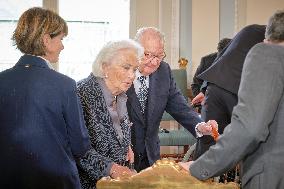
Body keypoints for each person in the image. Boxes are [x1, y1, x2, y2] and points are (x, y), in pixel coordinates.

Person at [179, 10, 284, 189]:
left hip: (270, 174)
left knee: (212, 141)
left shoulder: (264, 48)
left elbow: (250, 129)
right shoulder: (252, 33)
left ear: (268, 38)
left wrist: (198, 168)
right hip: (223, 91)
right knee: (215, 138)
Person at [0, 7, 91, 189]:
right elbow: (80, 145)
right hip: (57, 181)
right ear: (46, 39)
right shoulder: (65, 84)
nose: (62, 46)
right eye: (61, 39)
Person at [126, 27, 214, 172]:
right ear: (135, 50)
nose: (154, 62)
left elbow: (180, 106)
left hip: (150, 156)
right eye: (148, 55)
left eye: (159, 56)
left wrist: (199, 126)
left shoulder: (163, 71)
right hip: (124, 156)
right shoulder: (121, 68)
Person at [76, 39, 144, 189]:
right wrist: (113, 169)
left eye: (135, 69)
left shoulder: (120, 94)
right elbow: (77, 150)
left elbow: (117, 134)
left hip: (116, 182)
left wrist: (126, 145)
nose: (132, 76)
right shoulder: (80, 94)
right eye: (126, 68)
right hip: (89, 183)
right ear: (104, 67)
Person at [193, 24, 266, 160]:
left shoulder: (249, 29)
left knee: (208, 141)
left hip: (214, 90)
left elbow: (221, 58)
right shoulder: (274, 40)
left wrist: (204, 89)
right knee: (247, 143)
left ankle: (199, 178)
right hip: (240, 93)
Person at [191, 38, 232, 109]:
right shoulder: (206, 61)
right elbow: (195, 84)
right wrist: (203, 100)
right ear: (218, 51)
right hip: (207, 105)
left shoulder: (238, 62)